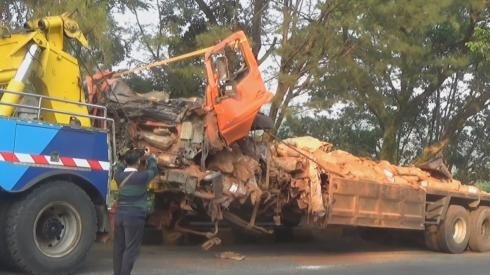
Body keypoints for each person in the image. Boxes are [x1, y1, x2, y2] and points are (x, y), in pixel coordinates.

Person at [113, 148, 158, 275]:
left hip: (119, 216)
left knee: (119, 248)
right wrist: (149, 157)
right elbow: (154, 170)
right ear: (138, 162)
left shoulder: (118, 176)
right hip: (134, 216)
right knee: (131, 249)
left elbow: (119, 166)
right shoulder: (142, 177)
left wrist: (126, 154)